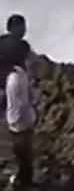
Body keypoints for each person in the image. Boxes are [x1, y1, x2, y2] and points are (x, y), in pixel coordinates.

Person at [5, 39, 36, 189]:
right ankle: (20, 184)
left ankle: (24, 182)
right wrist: (24, 124)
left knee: (25, 160)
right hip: (20, 126)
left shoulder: (18, 74)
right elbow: (17, 105)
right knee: (23, 159)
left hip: (21, 124)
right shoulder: (15, 79)